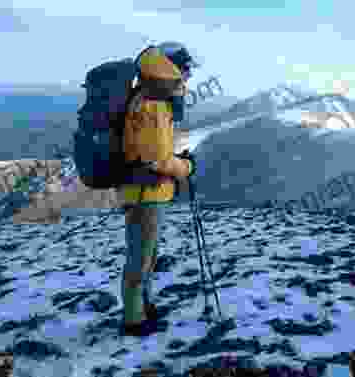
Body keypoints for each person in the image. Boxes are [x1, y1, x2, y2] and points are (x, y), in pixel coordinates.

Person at [115, 42, 199, 336]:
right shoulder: (155, 104)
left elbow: (155, 153)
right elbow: (156, 159)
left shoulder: (150, 97)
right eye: (186, 68)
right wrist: (185, 167)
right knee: (140, 256)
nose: (188, 76)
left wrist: (175, 162)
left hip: (147, 191)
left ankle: (142, 307)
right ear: (172, 68)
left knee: (147, 254)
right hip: (145, 193)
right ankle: (133, 320)